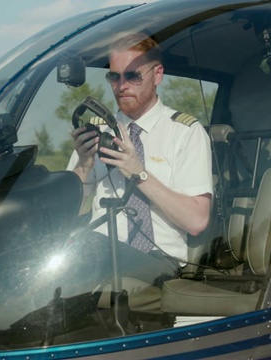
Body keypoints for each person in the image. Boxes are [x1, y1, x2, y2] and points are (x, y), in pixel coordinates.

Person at [66, 32, 213, 298]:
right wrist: (83, 167)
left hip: (159, 261)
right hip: (99, 255)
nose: (122, 85)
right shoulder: (97, 132)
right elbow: (69, 213)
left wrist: (139, 173)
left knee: (84, 248)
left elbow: (196, 221)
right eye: (114, 76)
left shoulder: (184, 132)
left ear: (157, 75)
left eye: (133, 76)